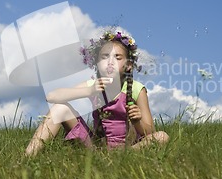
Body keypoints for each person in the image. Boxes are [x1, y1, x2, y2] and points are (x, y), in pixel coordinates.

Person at [25, 30, 169, 156]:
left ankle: (122, 158)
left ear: (128, 65)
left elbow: (149, 132)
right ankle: (27, 158)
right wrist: (89, 90)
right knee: (60, 108)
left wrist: (137, 121)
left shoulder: (137, 89)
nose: (110, 62)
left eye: (117, 58)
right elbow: (51, 96)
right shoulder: (93, 86)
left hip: (129, 149)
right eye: (105, 57)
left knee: (162, 136)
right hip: (95, 149)